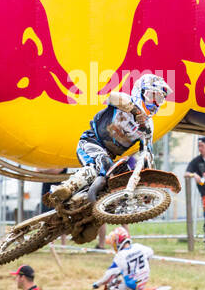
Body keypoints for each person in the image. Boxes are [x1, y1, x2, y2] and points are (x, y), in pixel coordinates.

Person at [47, 74, 171, 207]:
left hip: (110, 156)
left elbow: (147, 154)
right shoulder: (124, 101)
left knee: (124, 169)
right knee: (102, 162)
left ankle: (109, 205)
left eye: (159, 99)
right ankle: (65, 189)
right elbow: (112, 97)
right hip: (90, 141)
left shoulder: (148, 126)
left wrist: (150, 182)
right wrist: (135, 112)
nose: (154, 103)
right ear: (139, 91)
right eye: (151, 96)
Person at [91, 226, 155, 290]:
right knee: (121, 283)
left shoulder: (120, 256)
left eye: (113, 243)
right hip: (143, 280)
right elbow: (150, 252)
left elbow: (109, 275)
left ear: (117, 241)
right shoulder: (139, 247)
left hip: (131, 285)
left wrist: (97, 284)